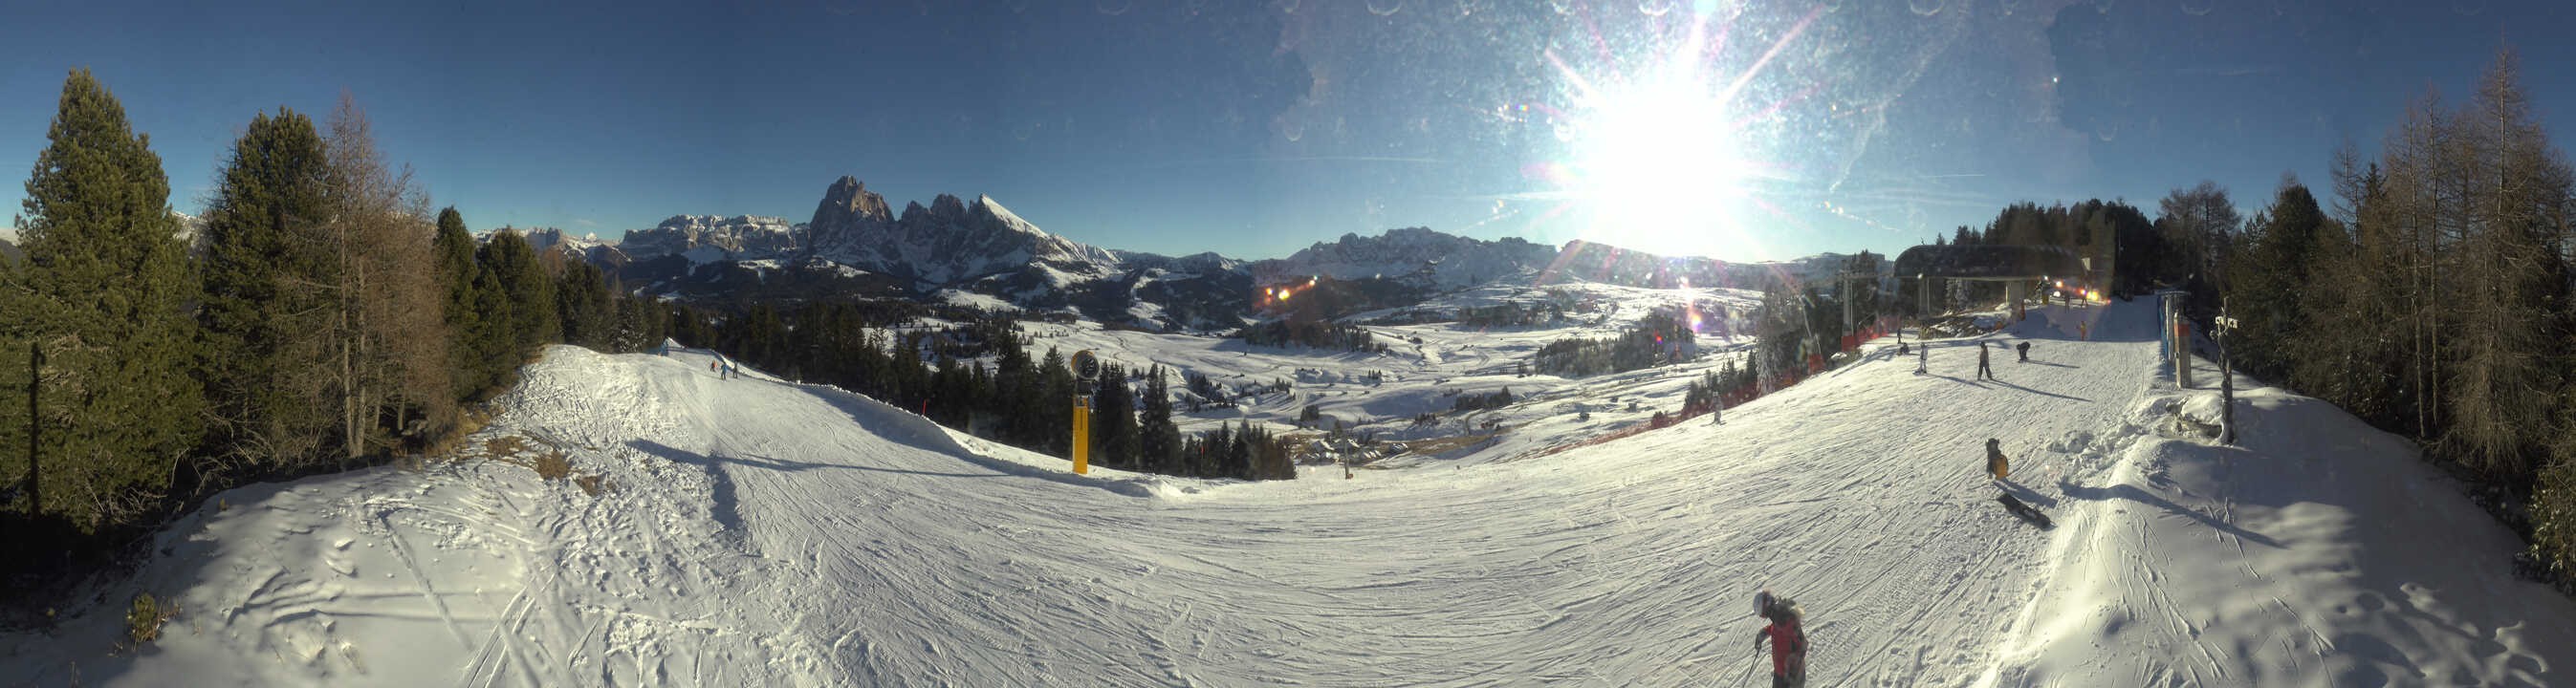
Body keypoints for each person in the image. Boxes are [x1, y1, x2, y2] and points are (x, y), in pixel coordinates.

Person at [1752, 591, 1807, 688]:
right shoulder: (1778, 616)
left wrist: (1793, 671)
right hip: (1780, 674)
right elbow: (1776, 628)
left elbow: (1803, 644)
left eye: (1762, 615)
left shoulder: (1785, 619)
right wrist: (1764, 632)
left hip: (1792, 678)